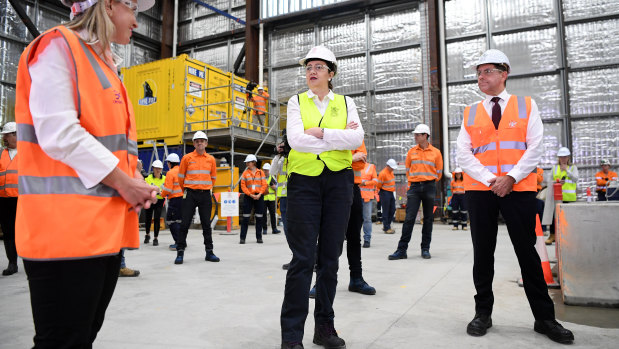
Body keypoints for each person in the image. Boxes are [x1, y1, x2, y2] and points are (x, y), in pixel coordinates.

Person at [14, 0, 158, 347]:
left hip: (98, 232)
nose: (137, 22)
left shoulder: (106, 67)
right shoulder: (58, 45)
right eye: (134, 10)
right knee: (63, 341)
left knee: (81, 336)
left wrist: (133, 184)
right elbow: (59, 132)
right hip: (63, 232)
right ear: (109, 5)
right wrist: (125, 183)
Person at [456, 49, 573, 344]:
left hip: (518, 189)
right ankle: (483, 313)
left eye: (487, 71)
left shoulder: (526, 105)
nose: (481, 77)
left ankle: (544, 318)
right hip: (481, 190)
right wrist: (490, 179)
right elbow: (463, 153)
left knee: (527, 253)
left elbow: (535, 147)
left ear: (504, 73)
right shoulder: (470, 111)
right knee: (483, 253)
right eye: (479, 73)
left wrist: (511, 177)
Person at [280, 45, 363, 349]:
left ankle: (324, 328)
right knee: (303, 259)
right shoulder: (295, 101)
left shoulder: (346, 102)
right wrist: (336, 136)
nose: (311, 71)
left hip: (339, 184)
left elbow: (357, 139)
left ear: (331, 73)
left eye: (318, 66)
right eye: (308, 67)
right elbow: (296, 141)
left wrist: (321, 132)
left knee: (330, 259)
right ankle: (291, 336)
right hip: (304, 184)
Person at [388, 123, 443, 261]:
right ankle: (401, 250)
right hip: (414, 188)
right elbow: (408, 170)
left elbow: (439, 172)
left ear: (425, 136)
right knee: (409, 218)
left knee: (428, 219)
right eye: (415, 134)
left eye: (418, 134)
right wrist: (415, 181)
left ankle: (425, 249)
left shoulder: (436, 152)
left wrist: (428, 180)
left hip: (429, 186)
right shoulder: (411, 152)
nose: (415, 136)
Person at [175, 130, 220, 264]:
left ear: (206, 143)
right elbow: (181, 177)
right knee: (184, 224)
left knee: (206, 224)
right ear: (194, 143)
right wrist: (187, 190)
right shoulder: (187, 158)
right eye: (197, 141)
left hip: (205, 194)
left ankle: (209, 252)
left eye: (202, 141)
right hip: (190, 194)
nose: (200, 143)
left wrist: (205, 188)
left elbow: (213, 178)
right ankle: (180, 253)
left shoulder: (211, 159)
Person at [546, 147, 578, 245]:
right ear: (559, 158)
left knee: (568, 219)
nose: (563, 159)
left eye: (565, 157)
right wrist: (557, 182)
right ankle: (552, 236)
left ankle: (568, 237)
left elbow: (575, 179)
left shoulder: (573, 168)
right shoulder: (554, 168)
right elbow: (549, 180)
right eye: (561, 157)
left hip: (569, 198)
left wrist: (567, 170)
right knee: (554, 217)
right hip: (556, 197)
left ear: (568, 157)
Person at [0, 122, 18, 276]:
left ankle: (32, 262)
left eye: (7, 134)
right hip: (4, 200)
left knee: (25, 232)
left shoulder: (28, 154)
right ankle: (12, 263)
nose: (4, 138)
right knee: (8, 232)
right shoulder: (1, 153)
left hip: (22, 200)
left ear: (16, 134)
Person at [240, 154, 267, 244]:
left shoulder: (261, 172)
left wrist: (259, 194)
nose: (247, 164)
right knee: (245, 218)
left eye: (248, 162)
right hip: (249, 196)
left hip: (259, 196)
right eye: (247, 162)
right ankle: (242, 238)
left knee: (259, 217)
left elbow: (264, 184)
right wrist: (250, 194)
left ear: (254, 162)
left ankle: (259, 237)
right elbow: (243, 186)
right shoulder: (245, 173)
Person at [161, 153, 183, 250]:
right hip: (184, 200)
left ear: (170, 163)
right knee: (180, 221)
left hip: (175, 200)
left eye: (168, 163)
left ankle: (178, 243)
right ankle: (182, 242)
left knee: (171, 221)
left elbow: (168, 190)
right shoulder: (182, 171)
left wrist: (161, 194)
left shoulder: (170, 173)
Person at [144, 159, 165, 246]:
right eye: (156, 168)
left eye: (159, 168)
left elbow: (167, 189)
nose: (158, 170)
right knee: (148, 218)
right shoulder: (148, 178)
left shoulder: (165, 179)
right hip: (150, 200)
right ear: (153, 168)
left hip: (159, 201)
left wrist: (162, 192)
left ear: (161, 169)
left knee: (157, 219)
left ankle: (155, 238)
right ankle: (147, 234)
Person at [359, 161, 377, 247]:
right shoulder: (353, 165)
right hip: (355, 196)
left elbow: (375, 180)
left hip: (367, 197)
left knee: (367, 219)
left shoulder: (371, 166)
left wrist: (365, 183)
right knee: (355, 219)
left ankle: (367, 239)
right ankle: (355, 238)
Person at [377, 159, 398, 234]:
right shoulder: (383, 173)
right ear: (388, 166)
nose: (393, 169)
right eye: (392, 167)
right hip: (384, 192)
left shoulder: (391, 172)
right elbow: (379, 185)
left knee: (392, 209)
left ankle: (387, 225)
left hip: (390, 192)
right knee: (386, 210)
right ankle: (386, 228)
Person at [262, 162, 281, 235]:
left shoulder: (272, 177)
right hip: (263, 198)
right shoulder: (261, 178)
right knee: (264, 214)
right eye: (264, 170)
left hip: (271, 198)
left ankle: (274, 229)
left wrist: (274, 187)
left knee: (272, 214)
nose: (265, 171)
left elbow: (277, 187)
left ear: (269, 170)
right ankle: (264, 229)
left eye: (266, 170)